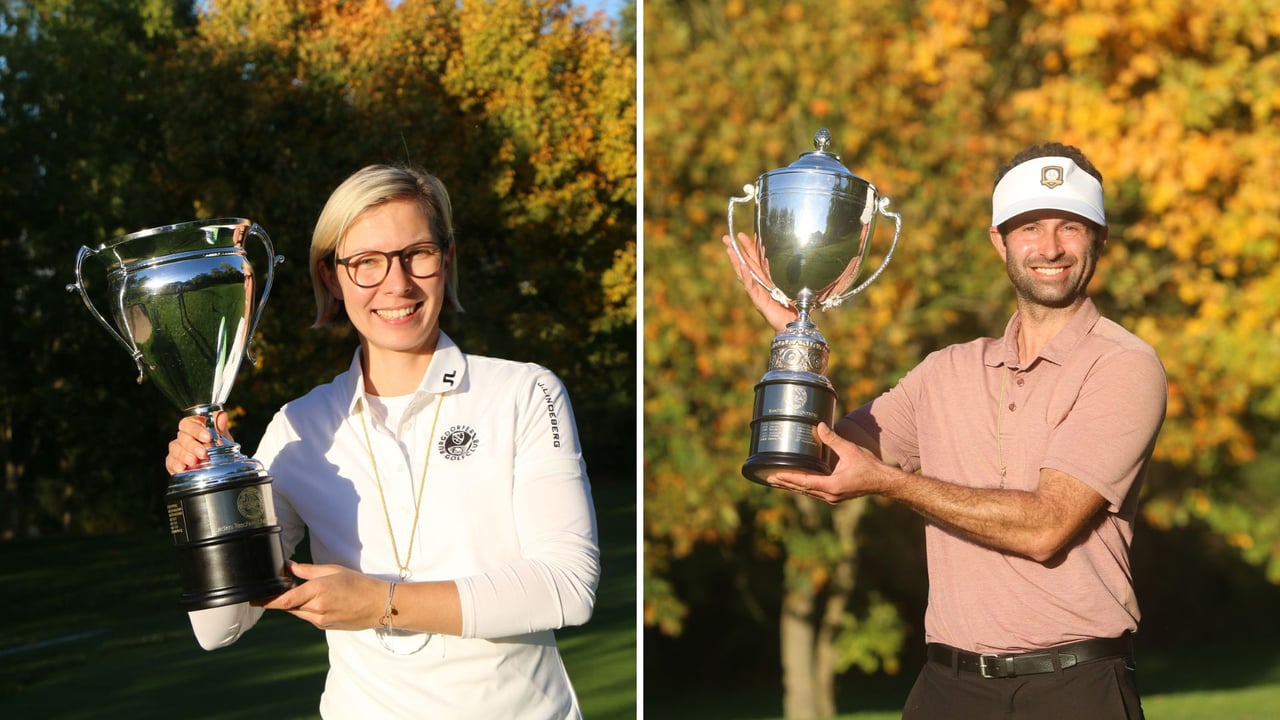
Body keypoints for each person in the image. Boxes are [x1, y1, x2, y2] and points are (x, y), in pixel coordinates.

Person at [724, 142, 1166, 719]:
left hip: (1075, 688)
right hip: (948, 688)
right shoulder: (945, 371)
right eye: (1030, 227)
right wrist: (798, 338)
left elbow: (1047, 527)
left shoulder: (1124, 365)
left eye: (1071, 227)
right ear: (999, 241)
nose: (1050, 247)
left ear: (1099, 239)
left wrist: (893, 484)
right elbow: (816, 461)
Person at [166, 164, 600, 718]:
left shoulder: (525, 392)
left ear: (447, 260)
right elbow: (218, 626)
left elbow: (566, 586)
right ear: (332, 278)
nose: (397, 284)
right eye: (366, 262)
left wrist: (380, 604)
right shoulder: (300, 427)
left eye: (417, 253)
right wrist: (209, 491)